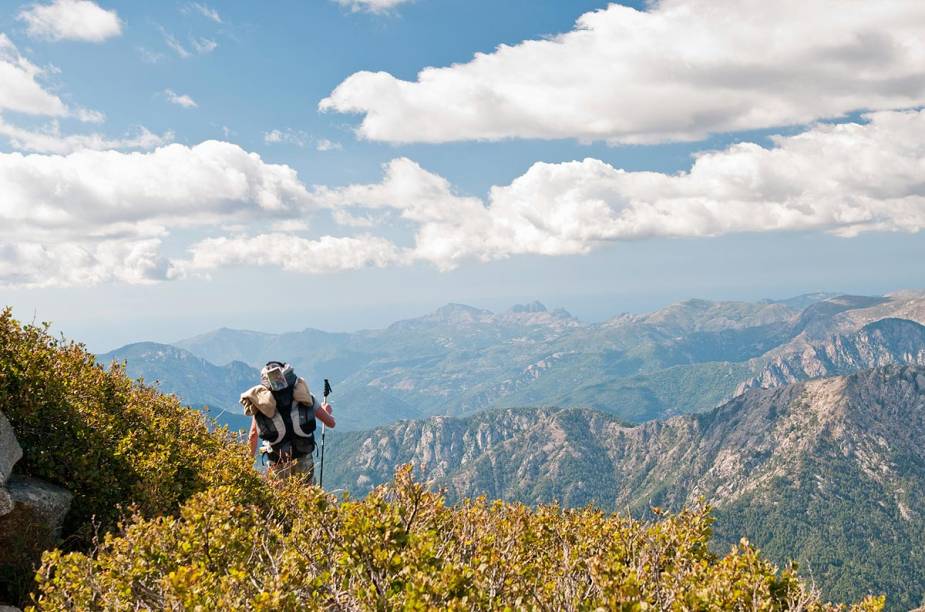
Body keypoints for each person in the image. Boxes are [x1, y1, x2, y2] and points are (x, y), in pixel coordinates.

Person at [240, 361, 335, 483]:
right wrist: (326, 411)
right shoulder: (304, 396)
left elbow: (253, 434)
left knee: (279, 497)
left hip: (277, 462)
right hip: (303, 458)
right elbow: (331, 423)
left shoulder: (262, 404)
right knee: (307, 498)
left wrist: (246, 465)